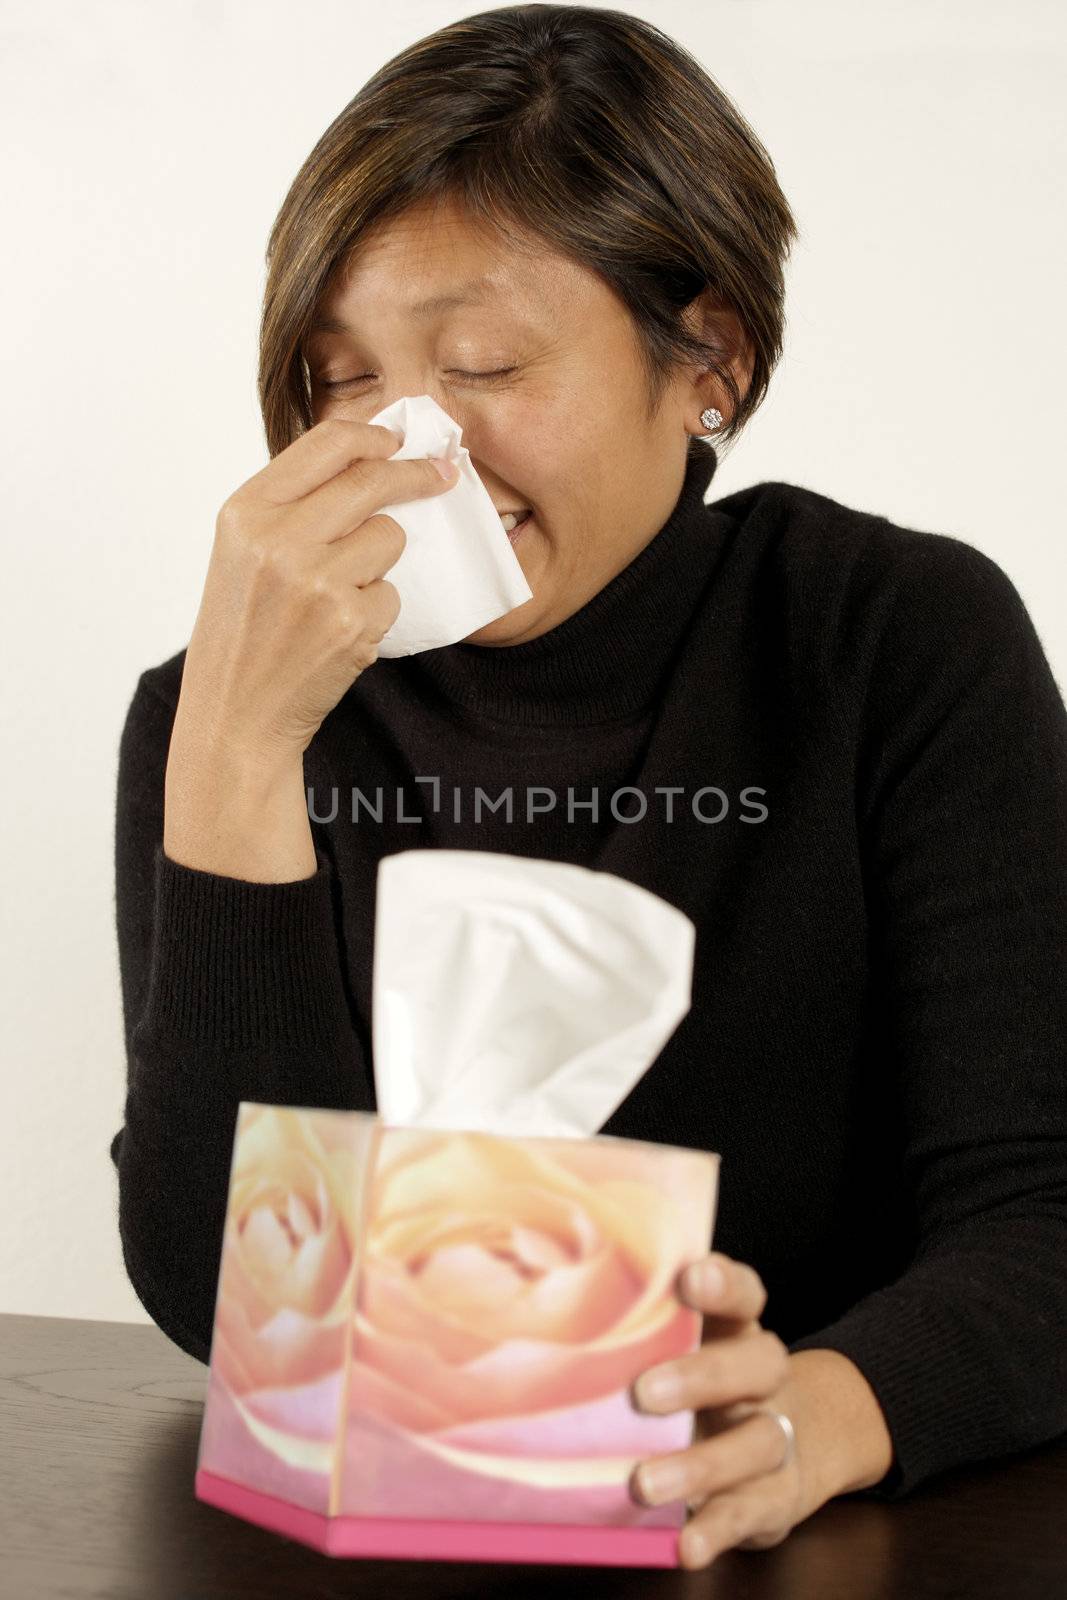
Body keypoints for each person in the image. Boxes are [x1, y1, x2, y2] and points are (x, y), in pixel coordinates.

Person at [110, 3, 1067, 1572]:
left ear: (712, 358)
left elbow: (1044, 1211)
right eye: (344, 383)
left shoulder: (890, 640)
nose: (410, 449)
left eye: (484, 362)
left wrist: (827, 1409)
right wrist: (231, 760)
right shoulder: (230, 713)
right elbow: (238, 1318)